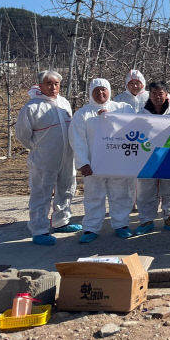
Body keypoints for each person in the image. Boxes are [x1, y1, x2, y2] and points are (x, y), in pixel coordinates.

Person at [15, 70, 80, 245]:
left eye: (56, 84)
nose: (53, 87)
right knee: (41, 193)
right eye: (49, 83)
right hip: (44, 159)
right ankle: (39, 230)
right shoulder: (32, 107)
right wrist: (38, 149)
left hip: (67, 156)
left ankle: (61, 221)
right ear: (40, 85)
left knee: (67, 188)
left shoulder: (64, 103)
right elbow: (22, 135)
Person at [69, 79, 134, 243]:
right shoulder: (83, 114)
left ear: (109, 91)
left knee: (120, 194)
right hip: (93, 165)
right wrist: (83, 162)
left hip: (117, 163)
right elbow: (77, 140)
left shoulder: (123, 109)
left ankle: (121, 225)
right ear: (91, 92)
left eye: (103, 90)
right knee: (93, 196)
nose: (100, 94)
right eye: (96, 90)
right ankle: (91, 228)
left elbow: (134, 126)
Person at [133, 81, 170, 235]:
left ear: (166, 94)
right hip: (147, 157)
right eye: (154, 93)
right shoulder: (141, 114)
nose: (157, 96)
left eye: (161, 93)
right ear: (149, 95)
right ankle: (146, 219)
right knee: (146, 189)